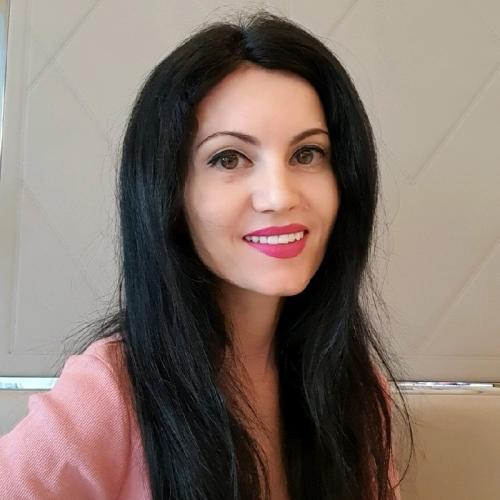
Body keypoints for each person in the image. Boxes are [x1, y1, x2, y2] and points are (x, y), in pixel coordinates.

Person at [0, 10, 413, 500]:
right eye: (229, 158)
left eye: (307, 154)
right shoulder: (111, 393)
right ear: (170, 193)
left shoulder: (356, 387)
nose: (279, 196)